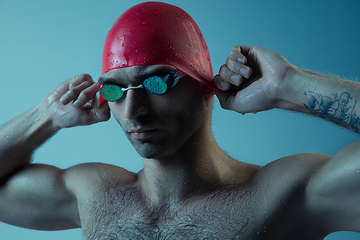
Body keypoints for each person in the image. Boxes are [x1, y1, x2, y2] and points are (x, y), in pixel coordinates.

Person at [0, 2, 359, 239]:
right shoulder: (94, 195)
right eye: (115, 90)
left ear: (204, 86)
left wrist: (289, 86)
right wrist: (45, 116)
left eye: (156, 83)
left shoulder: (286, 196)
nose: (133, 109)